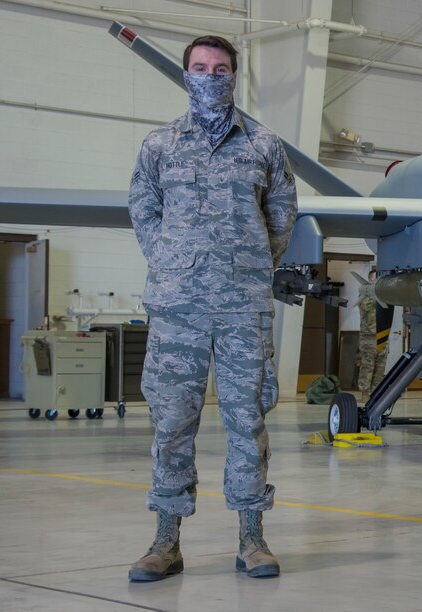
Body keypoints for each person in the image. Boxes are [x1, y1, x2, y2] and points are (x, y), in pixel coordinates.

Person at [126, 34, 297, 581]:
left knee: (247, 421)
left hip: (243, 307)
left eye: (220, 68)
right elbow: (143, 210)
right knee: (172, 422)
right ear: (186, 74)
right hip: (178, 308)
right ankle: (165, 542)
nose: (210, 76)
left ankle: (252, 539)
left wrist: (247, 266)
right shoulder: (159, 146)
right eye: (200, 67)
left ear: (233, 76)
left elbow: (282, 217)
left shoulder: (265, 146)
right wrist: (173, 264)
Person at [356, 268, 388, 399]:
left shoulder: (384, 294)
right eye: (375, 279)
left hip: (383, 336)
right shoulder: (365, 295)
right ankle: (365, 392)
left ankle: (376, 393)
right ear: (370, 280)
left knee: (380, 367)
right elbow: (365, 308)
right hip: (368, 337)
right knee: (367, 366)